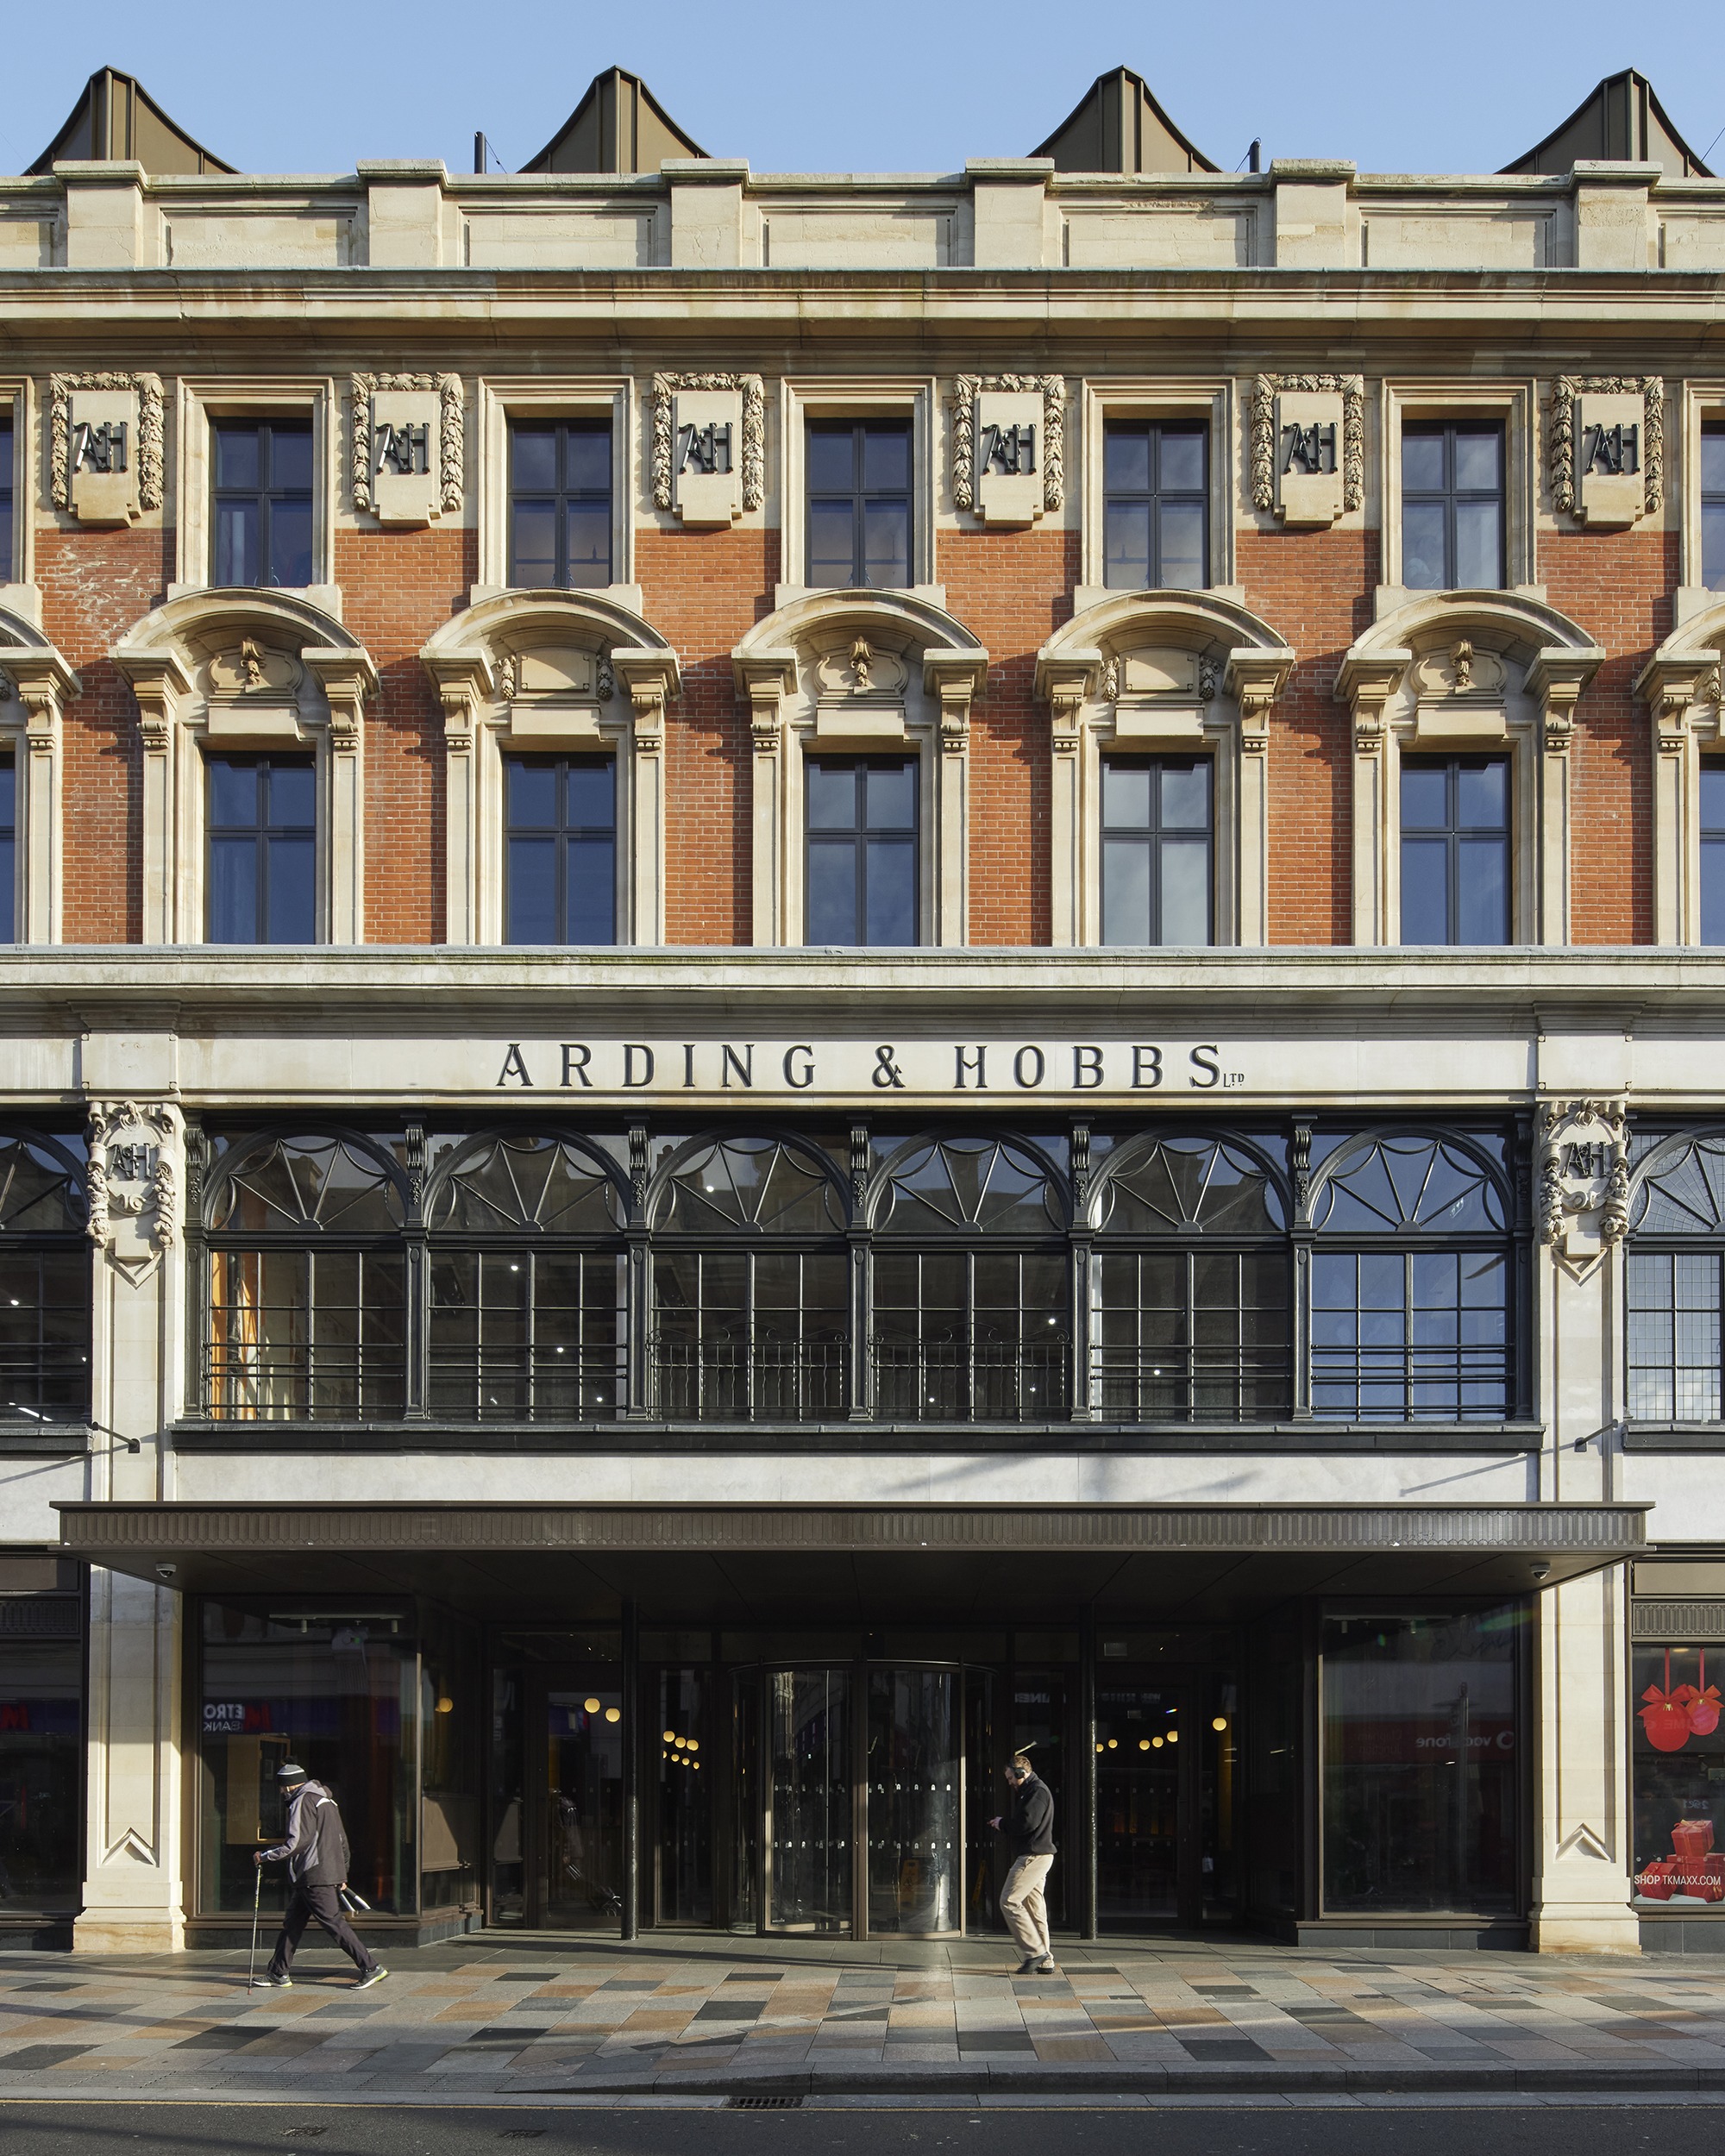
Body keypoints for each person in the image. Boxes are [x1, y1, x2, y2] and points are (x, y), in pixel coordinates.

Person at [254, 1761, 387, 1990]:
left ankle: (370, 1967)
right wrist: (342, 1873)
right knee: (292, 1924)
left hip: (313, 1875)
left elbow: (297, 1842)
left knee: (334, 1924)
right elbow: (341, 1840)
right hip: (318, 1875)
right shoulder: (326, 1801)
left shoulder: (302, 1801)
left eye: (282, 1787)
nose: (281, 1791)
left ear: (289, 1786)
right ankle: (278, 1972)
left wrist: (265, 1856)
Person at [990, 1750, 1057, 1975]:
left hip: (1032, 1856)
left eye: (1011, 1777)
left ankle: (1035, 1952)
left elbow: (1026, 1824)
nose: (1010, 1782)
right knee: (1035, 1909)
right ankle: (1045, 1960)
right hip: (1038, 1855)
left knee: (1009, 1900)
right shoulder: (1032, 1791)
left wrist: (1003, 1824)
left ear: (1021, 1773)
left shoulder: (1037, 1791)